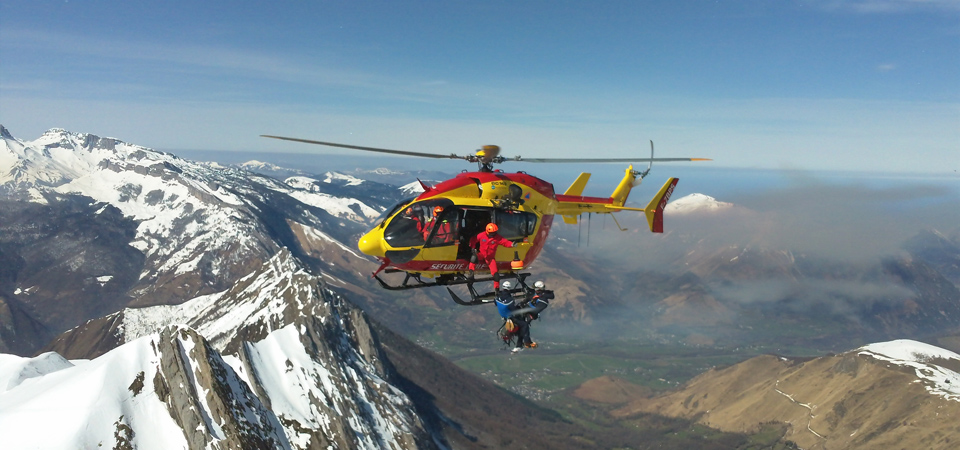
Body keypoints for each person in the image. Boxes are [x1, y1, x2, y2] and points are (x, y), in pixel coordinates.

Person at [467, 223, 516, 292]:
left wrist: (511, 244)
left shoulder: (497, 238)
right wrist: (472, 247)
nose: (493, 234)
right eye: (491, 233)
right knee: (474, 257)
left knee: (496, 275)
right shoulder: (481, 235)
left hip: (490, 258)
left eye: (494, 232)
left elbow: (505, 242)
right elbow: (474, 239)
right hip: (481, 254)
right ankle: (471, 273)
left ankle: (496, 290)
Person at [495, 281, 533, 352]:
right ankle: (527, 342)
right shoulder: (510, 300)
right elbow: (513, 310)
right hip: (510, 317)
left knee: (520, 325)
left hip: (504, 316)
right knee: (524, 325)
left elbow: (496, 304)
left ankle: (519, 345)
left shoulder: (497, 297)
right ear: (509, 288)